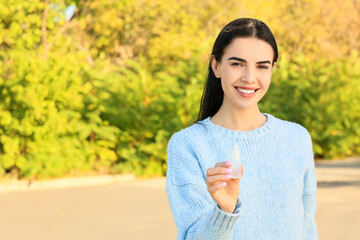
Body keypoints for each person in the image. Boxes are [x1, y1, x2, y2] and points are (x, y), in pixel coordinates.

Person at [166, 18, 318, 240]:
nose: (249, 78)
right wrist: (225, 211)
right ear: (216, 66)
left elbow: (307, 230)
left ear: (272, 69)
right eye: (237, 64)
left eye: (262, 66)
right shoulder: (187, 145)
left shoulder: (297, 138)